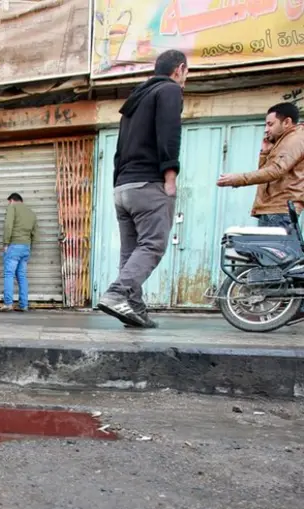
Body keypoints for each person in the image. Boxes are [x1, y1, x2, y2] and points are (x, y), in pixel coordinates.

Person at [97, 49, 188, 328]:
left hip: (124, 187)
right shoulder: (169, 91)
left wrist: (117, 183)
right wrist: (170, 177)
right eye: (186, 73)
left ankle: (133, 309)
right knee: (152, 245)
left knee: (130, 252)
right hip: (149, 183)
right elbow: (169, 134)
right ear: (179, 69)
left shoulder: (135, 100)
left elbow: (119, 147)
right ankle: (117, 294)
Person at [217, 102, 304, 227]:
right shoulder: (284, 141)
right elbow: (266, 173)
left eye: (270, 124)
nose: (266, 130)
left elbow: (276, 170)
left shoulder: (295, 138)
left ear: (286, 122)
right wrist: (265, 153)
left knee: (275, 246)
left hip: (281, 209)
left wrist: (238, 179)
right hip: (273, 208)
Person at [0, 193, 38, 312]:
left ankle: (8, 303)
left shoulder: (12, 207)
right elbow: (35, 233)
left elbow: (8, 226)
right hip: (26, 247)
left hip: (14, 245)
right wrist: (29, 246)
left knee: (9, 274)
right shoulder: (31, 213)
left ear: (12, 200)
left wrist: (6, 243)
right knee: (21, 276)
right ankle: (24, 305)